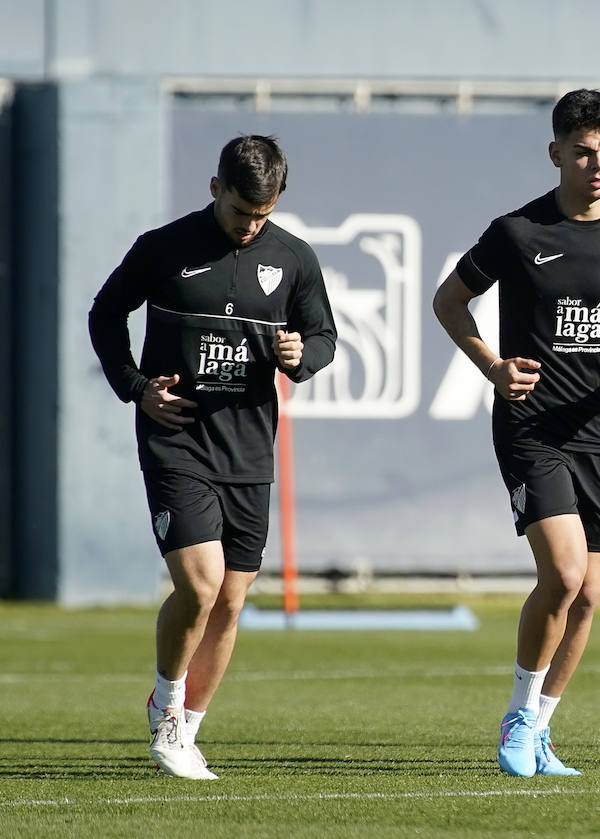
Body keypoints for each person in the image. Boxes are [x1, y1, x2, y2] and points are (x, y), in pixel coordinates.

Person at [433, 89, 600, 778]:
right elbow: (448, 300)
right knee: (564, 574)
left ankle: (541, 728)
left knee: (591, 593)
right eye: (583, 153)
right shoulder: (518, 232)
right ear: (556, 154)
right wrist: (492, 365)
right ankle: (517, 712)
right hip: (532, 425)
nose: (598, 165)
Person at [89, 135, 337, 779]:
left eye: (263, 214)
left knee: (229, 600)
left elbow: (324, 336)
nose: (251, 225)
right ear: (213, 187)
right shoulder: (163, 248)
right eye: (239, 212)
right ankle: (168, 715)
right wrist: (137, 389)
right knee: (198, 585)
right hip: (177, 440)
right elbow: (106, 313)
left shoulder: (294, 259)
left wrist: (300, 359)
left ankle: (187, 726)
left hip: (250, 449)